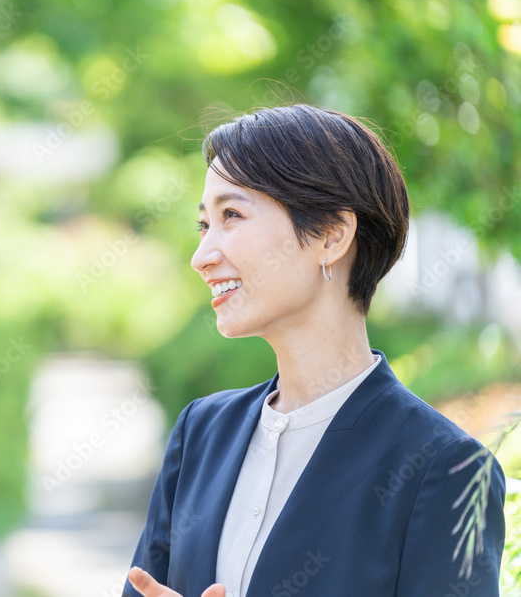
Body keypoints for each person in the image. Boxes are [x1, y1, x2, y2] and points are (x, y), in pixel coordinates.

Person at [124, 104, 506, 597]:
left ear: (331, 234)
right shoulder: (201, 433)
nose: (201, 257)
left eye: (231, 215)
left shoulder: (446, 470)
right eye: (204, 225)